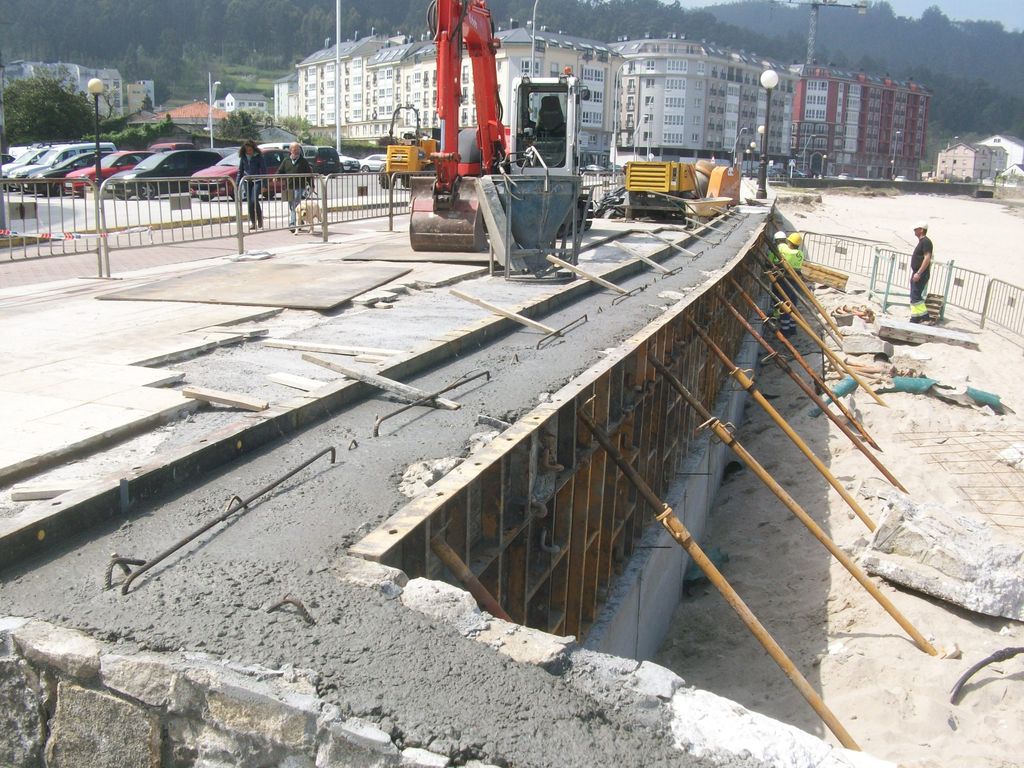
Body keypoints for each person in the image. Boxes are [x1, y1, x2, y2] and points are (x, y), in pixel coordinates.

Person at [278, 143, 312, 233]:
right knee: (291, 205)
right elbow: (280, 171)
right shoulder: (286, 160)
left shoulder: (303, 161)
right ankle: (299, 220)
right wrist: (276, 177)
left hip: (299, 186)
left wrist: (312, 185)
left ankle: (293, 224)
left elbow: (309, 174)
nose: (297, 151)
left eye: (298, 149)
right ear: (290, 150)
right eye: (295, 149)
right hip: (289, 186)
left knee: (295, 205)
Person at [238, 140, 266, 231]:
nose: (249, 152)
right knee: (250, 202)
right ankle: (253, 222)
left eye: (250, 150)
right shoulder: (243, 157)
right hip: (246, 181)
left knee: (254, 200)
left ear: (253, 149)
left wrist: (264, 184)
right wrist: (237, 184)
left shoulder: (258, 156)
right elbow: (240, 171)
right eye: (247, 150)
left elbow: (263, 170)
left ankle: (260, 218)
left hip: (257, 181)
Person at [909, 221, 933, 323]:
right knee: (914, 296)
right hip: (916, 272)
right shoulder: (921, 241)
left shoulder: (926, 242)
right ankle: (915, 317)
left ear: (921, 230)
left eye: (916, 229)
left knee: (916, 296)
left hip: (921, 273)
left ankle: (925, 317)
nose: (914, 230)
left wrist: (919, 273)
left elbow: (927, 258)